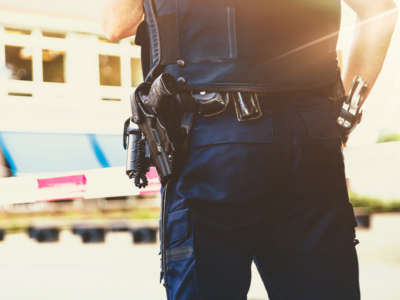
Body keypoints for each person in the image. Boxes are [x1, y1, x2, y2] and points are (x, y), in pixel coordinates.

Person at [103, 1, 398, 299]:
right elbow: (379, 10)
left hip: (209, 140)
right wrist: (343, 113)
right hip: (310, 137)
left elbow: (116, 24)